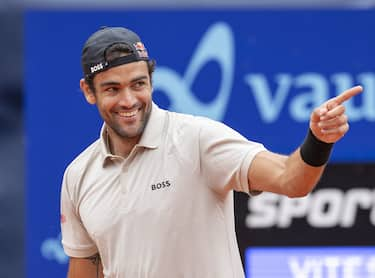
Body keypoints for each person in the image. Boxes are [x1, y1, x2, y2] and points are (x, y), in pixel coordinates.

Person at [60, 26, 363, 278]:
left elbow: (291, 180)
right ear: (89, 91)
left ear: (151, 82)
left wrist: (319, 139)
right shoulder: (78, 174)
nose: (128, 100)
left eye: (138, 84)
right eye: (112, 89)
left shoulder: (198, 139)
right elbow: (86, 266)